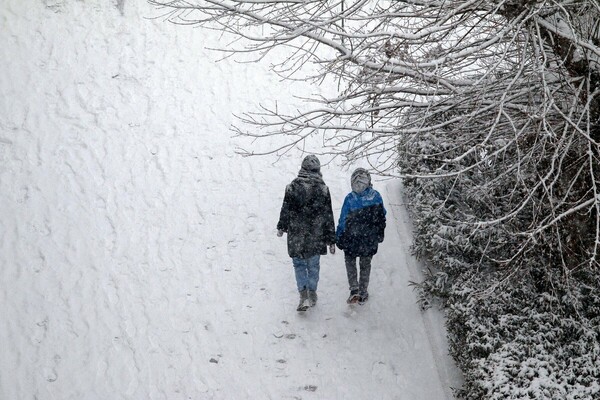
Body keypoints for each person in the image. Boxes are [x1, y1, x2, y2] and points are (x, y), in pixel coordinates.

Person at [277, 155, 336, 311]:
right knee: (313, 265)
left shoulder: (292, 187)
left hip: (297, 233)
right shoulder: (323, 189)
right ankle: (312, 292)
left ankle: (303, 294)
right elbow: (328, 214)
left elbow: (286, 209)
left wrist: (282, 226)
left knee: (299, 265)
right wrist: (331, 238)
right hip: (316, 235)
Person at [336, 168, 386, 304]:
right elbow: (382, 217)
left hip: (351, 238)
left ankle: (354, 289)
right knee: (365, 264)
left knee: (350, 262)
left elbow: (343, 219)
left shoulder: (350, 198)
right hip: (369, 239)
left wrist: (339, 235)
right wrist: (380, 233)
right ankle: (363, 291)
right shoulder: (376, 197)